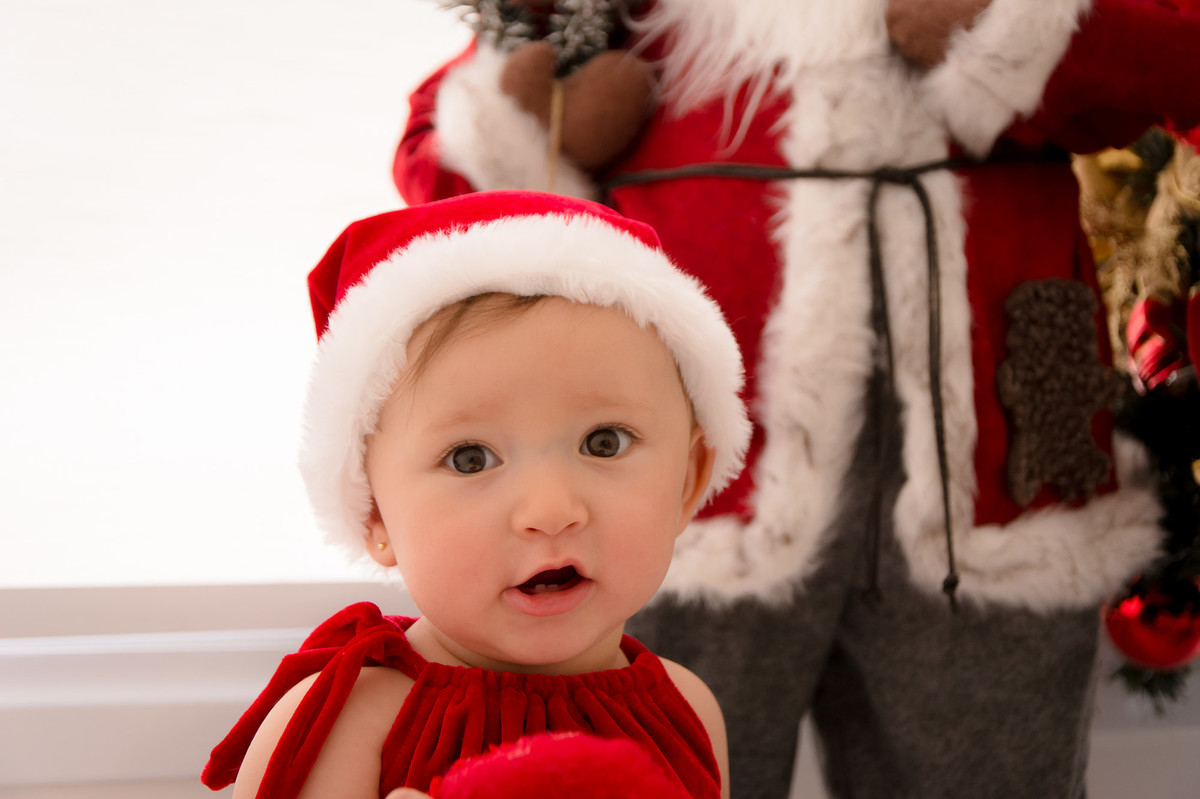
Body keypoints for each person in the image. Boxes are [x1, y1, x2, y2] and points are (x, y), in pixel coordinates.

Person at [393, 1, 1200, 796]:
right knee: (638, 781)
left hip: (1001, 457)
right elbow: (440, 176)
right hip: (678, 495)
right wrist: (537, 122)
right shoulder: (624, 17)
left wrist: (1014, 24)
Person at [200, 190, 751, 799]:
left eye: (604, 443)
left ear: (688, 481)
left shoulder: (689, 708)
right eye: (471, 459)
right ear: (373, 513)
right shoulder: (349, 725)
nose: (551, 510)